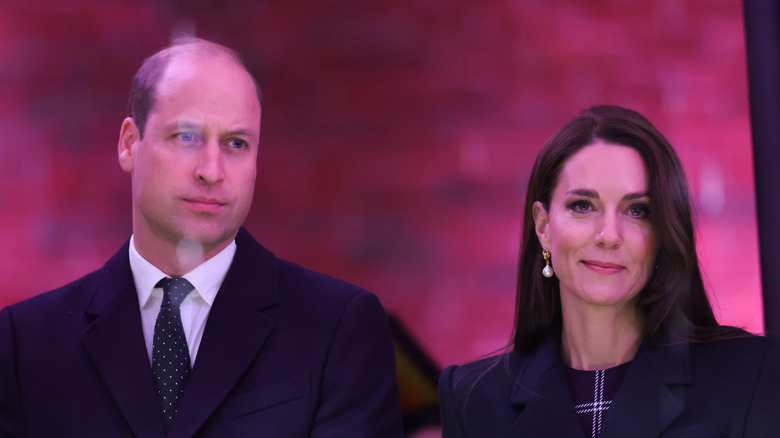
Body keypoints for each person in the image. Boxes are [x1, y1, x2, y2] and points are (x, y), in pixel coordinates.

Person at [0, 37, 403, 437]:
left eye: (236, 143)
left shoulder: (339, 327)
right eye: (187, 137)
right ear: (129, 144)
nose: (212, 170)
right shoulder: (25, 343)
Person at [438, 105, 780, 437]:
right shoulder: (472, 400)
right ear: (542, 225)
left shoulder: (751, 376)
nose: (608, 236)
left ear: (662, 233)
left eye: (637, 211)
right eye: (583, 206)